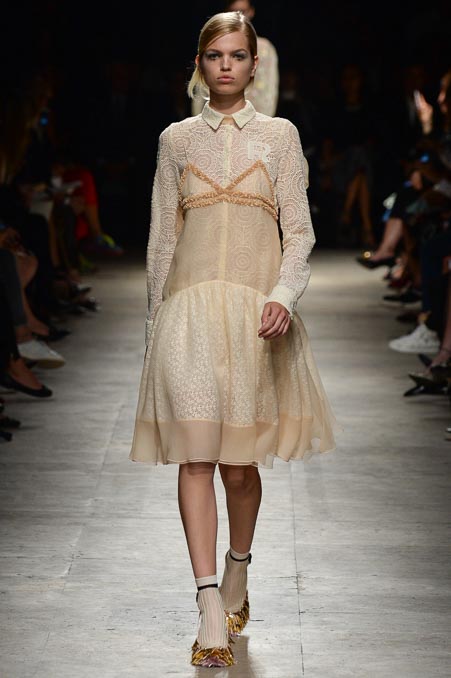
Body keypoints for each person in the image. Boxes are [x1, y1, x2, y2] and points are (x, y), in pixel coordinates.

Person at [129, 11, 337, 668]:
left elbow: (299, 233)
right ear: (200, 63)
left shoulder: (279, 137)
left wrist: (283, 295)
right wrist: (154, 329)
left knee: (239, 469)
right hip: (188, 319)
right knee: (195, 460)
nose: (226, 66)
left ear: (254, 64)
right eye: (215, 55)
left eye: (237, 55)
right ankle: (208, 604)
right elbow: (162, 241)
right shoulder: (175, 140)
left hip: (254, 320)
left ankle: (238, 566)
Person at [191, 0, 279, 118]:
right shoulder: (213, 42)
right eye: (233, 11)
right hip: (213, 119)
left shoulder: (264, 48)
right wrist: (198, 121)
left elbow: (269, 92)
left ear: (251, 12)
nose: (238, 16)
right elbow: (202, 86)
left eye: (239, 56)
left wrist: (262, 124)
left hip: (253, 120)